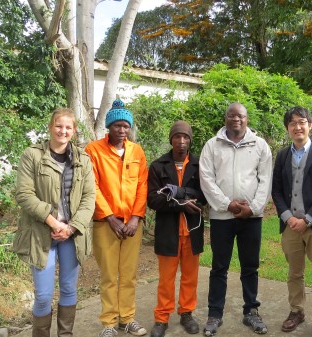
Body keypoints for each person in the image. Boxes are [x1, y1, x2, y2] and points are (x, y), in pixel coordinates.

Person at [13, 108, 96, 337]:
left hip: (71, 235)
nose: (63, 131)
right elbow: (24, 194)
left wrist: (70, 227)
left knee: (69, 289)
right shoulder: (33, 156)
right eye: (59, 126)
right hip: (42, 234)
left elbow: (90, 197)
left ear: (74, 131)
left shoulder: (82, 159)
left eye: (68, 127)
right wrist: (53, 222)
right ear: (50, 127)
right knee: (43, 295)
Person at [199, 102, 273, 336]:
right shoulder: (212, 146)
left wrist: (253, 208)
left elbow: (265, 181)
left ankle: (251, 311)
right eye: (232, 115)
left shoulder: (260, 146)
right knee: (219, 267)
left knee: (250, 266)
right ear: (225, 118)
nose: (236, 119)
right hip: (222, 217)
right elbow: (206, 180)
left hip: (251, 218)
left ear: (247, 119)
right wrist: (227, 204)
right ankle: (214, 314)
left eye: (241, 116)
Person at [271, 106, 312, 337]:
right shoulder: (282, 156)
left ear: (310, 125)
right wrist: (288, 217)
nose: (297, 127)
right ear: (287, 128)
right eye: (292, 123)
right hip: (291, 226)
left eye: (302, 122)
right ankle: (296, 311)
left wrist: (308, 219)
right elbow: (277, 191)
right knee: (294, 273)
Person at [85, 99, 149, 337]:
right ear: (109, 128)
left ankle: (127, 318)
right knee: (110, 275)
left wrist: (135, 218)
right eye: (117, 126)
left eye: (126, 126)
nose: (122, 131)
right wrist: (110, 217)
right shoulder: (94, 151)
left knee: (129, 274)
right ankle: (109, 323)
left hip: (132, 225)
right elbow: (93, 187)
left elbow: (142, 186)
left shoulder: (136, 151)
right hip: (106, 224)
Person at [147, 121, 206, 337]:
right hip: (168, 230)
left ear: (190, 140)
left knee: (190, 276)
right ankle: (161, 318)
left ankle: (186, 313)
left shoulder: (200, 165)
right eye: (177, 137)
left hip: (192, 230)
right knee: (166, 278)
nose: (181, 141)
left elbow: (205, 195)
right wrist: (180, 202)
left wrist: (176, 192)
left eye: (186, 137)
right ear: (171, 139)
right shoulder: (158, 166)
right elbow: (153, 199)